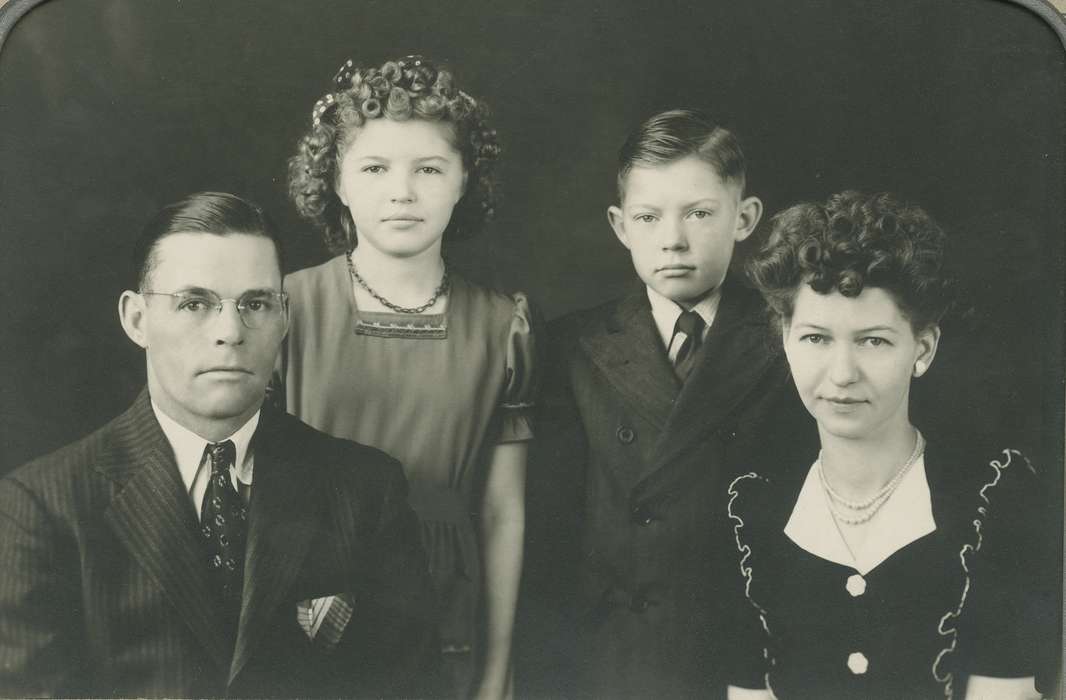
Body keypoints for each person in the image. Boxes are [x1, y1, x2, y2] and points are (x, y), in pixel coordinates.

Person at [0, 192, 438, 698]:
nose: (231, 332)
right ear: (136, 319)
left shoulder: (365, 489)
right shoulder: (41, 508)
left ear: (285, 318)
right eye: (194, 303)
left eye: (255, 304)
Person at [520, 109, 815, 698]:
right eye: (648, 217)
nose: (673, 239)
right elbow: (552, 535)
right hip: (609, 659)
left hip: (739, 658)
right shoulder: (574, 345)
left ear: (745, 217)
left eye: (700, 213)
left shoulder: (793, 339)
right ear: (620, 225)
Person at [727, 190, 1058, 699]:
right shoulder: (749, 509)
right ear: (785, 339)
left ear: (922, 349)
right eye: (816, 338)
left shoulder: (995, 498)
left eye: (873, 340)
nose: (841, 374)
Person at [281, 56, 535, 700]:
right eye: (375, 168)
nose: (403, 192)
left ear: (462, 182)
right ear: (336, 181)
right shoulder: (285, 309)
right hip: (306, 590)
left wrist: (497, 668)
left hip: (443, 596)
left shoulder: (502, 326)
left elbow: (503, 512)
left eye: (428, 169)